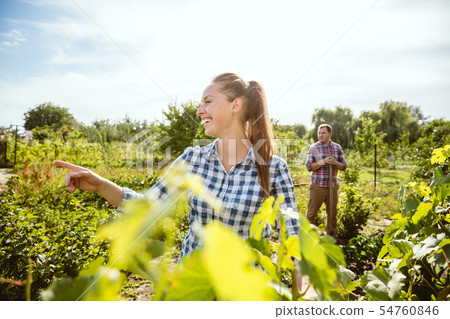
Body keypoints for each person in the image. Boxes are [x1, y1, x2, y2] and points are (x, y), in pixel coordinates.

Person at [54, 73, 299, 261]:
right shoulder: (192, 159)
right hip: (191, 286)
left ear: (235, 106)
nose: (199, 109)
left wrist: (304, 288)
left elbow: (293, 235)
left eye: (208, 101)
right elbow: (149, 207)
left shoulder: (272, 168)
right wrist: (101, 185)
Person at [305, 124, 346, 238]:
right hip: (318, 186)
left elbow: (344, 166)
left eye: (323, 133)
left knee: (332, 215)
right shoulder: (314, 148)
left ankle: (331, 241)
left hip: (332, 187)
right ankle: (307, 240)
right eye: (319, 133)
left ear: (330, 134)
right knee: (311, 215)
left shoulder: (337, 148)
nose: (320, 135)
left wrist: (335, 163)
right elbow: (309, 167)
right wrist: (323, 161)